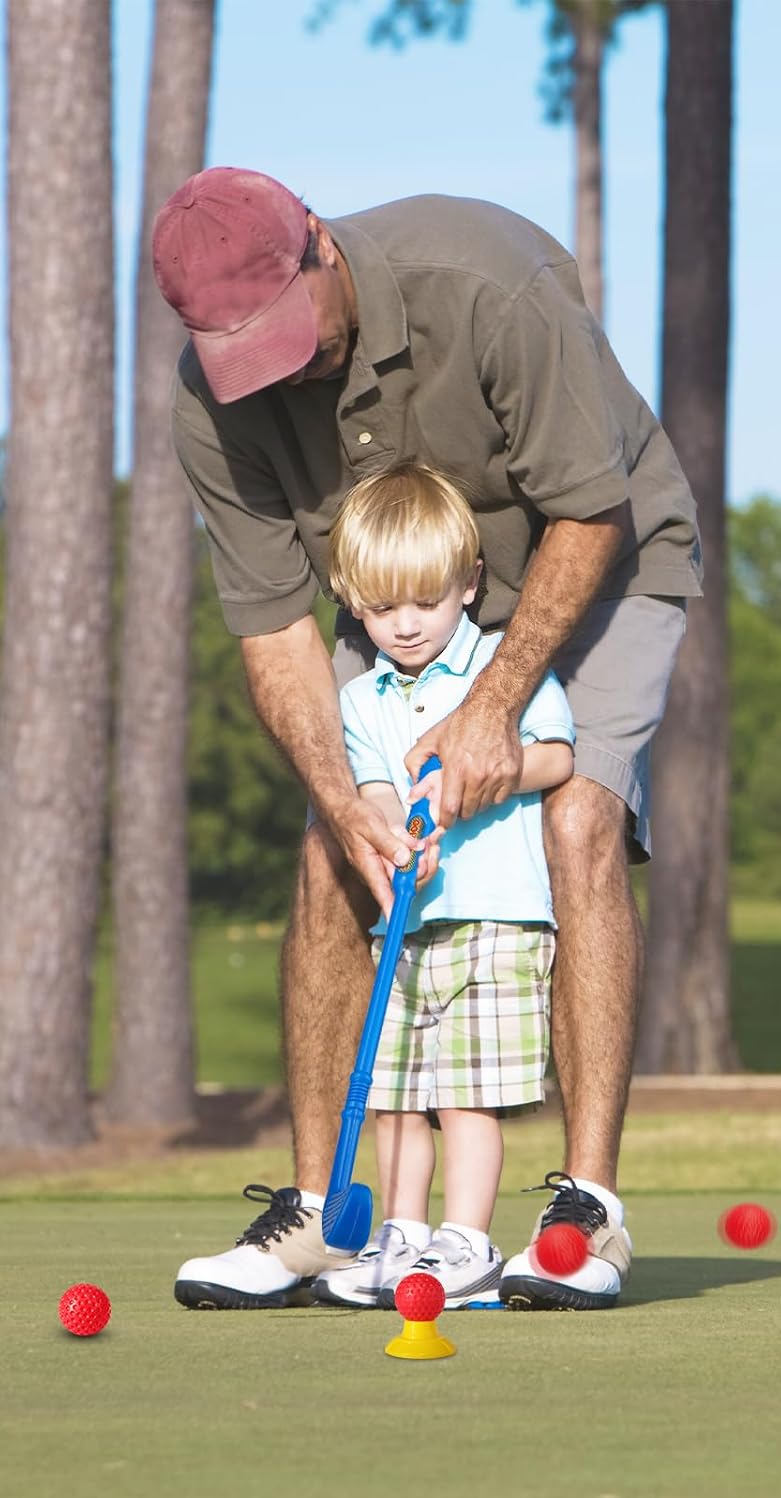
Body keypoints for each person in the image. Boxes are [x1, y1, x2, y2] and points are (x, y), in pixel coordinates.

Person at [158, 167, 698, 1311]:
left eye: (286, 339)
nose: (279, 373)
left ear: (317, 244)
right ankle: (318, 1216)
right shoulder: (210, 399)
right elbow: (274, 629)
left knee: (581, 816)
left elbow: (589, 514)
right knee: (332, 853)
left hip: (598, 562)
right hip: (397, 607)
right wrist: (342, 798)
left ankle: (586, 1212)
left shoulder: (492, 284)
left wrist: (496, 702)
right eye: (241, 356)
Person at [305, 463, 572, 1310]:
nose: (407, 625)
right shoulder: (362, 701)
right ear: (353, 601)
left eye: (425, 602)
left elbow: (557, 756)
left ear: (469, 583)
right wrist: (390, 832)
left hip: (496, 923)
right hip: (407, 927)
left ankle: (467, 1243)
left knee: (466, 1098)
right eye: (383, 609)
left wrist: (480, 776)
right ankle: (401, 1235)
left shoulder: (500, 667)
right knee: (393, 1100)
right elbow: (375, 790)